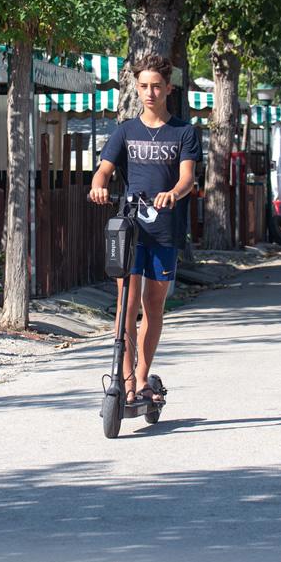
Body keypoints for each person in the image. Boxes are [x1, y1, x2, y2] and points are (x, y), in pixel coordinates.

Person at [89, 54, 201, 405]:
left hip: (165, 229)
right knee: (126, 304)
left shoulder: (184, 132)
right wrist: (98, 185)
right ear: (136, 89)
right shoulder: (125, 131)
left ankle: (142, 376)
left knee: (154, 306)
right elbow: (103, 170)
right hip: (130, 228)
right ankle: (126, 381)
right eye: (143, 87)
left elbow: (187, 178)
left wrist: (174, 193)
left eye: (156, 86)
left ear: (168, 88)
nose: (149, 93)